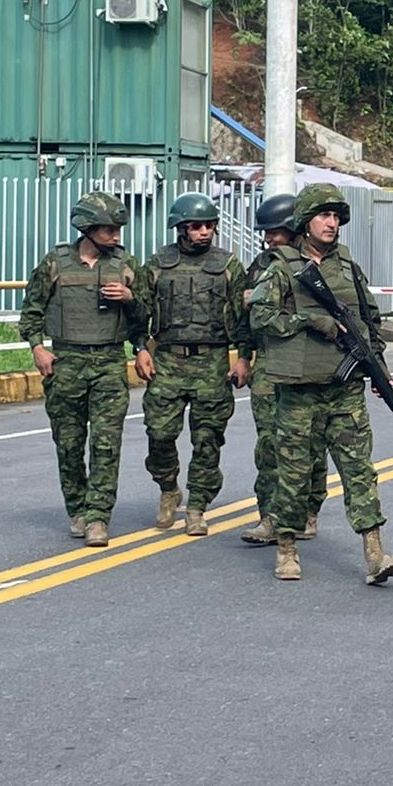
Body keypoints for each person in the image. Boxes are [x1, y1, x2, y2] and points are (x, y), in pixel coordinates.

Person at [248, 183, 393, 584]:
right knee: (293, 473)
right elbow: (260, 319)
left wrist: (377, 365)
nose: (331, 223)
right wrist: (308, 321)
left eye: (336, 216)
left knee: (359, 471)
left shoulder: (348, 269)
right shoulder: (283, 268)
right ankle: (286, 548)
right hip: (299, 392)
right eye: (323, 215)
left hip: (345, 389)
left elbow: (369, 321)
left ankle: (375, 552)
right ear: (305, 221)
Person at [18, 191, 148, 546]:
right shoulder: (55, 263)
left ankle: (98, 518)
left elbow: (147, 316)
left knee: (106, 445)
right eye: (109, 229)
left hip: (108, 363)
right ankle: (77, 508)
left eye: (118, 229)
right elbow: (30, 312)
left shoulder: (125, 265)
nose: (116, 236)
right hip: (65, 363)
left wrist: (131, 302)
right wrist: (37, 349)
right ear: (87, 228)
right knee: (69, 444)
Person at [136, 192, 249, 538]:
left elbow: (244, 317)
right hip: (168, 361)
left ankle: (197, 505)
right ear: (181, 228)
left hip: (212, 362)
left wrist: (244, 357)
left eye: (209, 226)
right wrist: (140, 348)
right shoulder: (157, 264)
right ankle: (168, 487)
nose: (204, 232)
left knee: (208, 439)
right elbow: (140, 309)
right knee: (159, 434)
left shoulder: (229, 266)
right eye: (196, 226)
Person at [238, 193, 329, 547]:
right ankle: (270, 516)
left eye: (275, 232)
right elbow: (245, 319)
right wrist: (244, 358)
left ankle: (308, 509)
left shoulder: (321, 264)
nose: (268, 239)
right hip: (270, 366)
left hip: (310, 365)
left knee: (311, 444)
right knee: (269, 445)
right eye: (266, 233)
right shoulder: (262, 265)